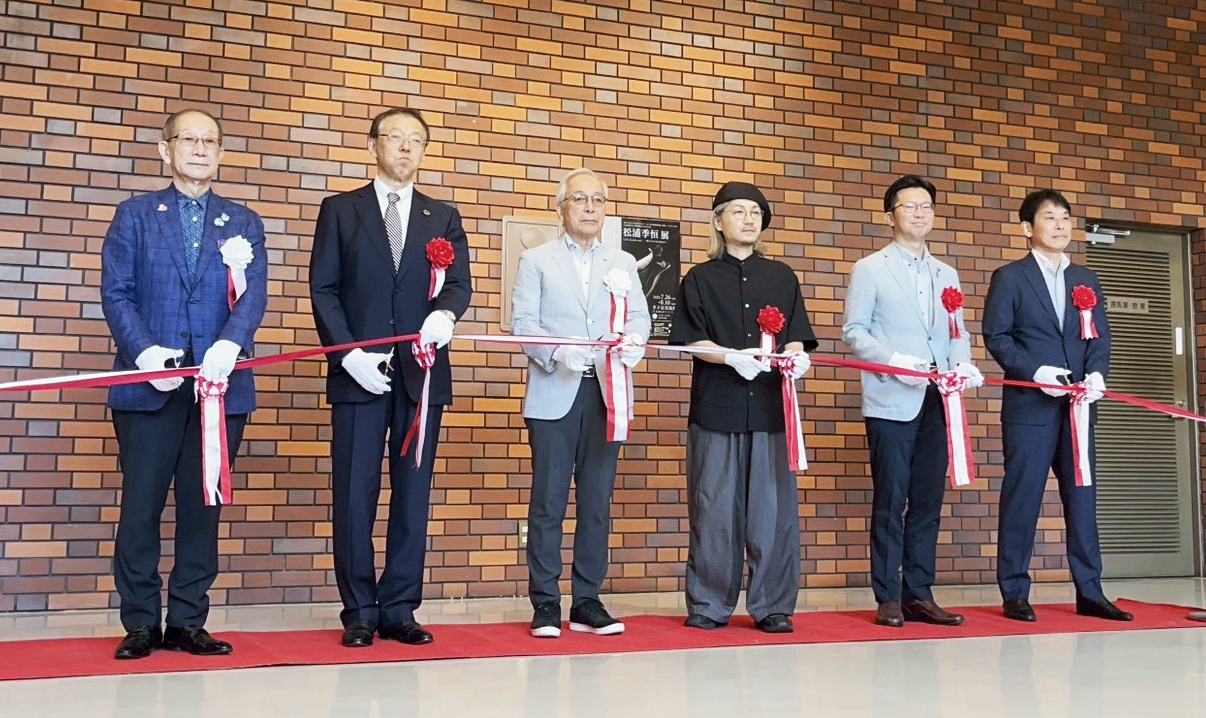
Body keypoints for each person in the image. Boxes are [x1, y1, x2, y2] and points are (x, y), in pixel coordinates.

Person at [101, 108, 267, 659]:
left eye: (209, 141)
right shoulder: (134, 215)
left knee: (203, 508)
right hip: (150, 385)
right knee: (141, 507)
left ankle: (188, 621)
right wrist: (145, 353)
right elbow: (117, 293)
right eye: (188, 139)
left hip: (220, 386)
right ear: (165, 149)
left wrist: (230, 344)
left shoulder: (243, 221)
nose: (199, 149)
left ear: (220, 153)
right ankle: (141, 622)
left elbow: (253, 296)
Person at [310, 108, 473, 647]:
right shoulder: (340, 210)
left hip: (420, 374)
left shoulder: (442, 215)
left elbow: (458, 285)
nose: (406, 148)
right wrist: (347, 354)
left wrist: (445, 316)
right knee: (354, 494)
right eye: (395, 138)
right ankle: (359, 609)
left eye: (416, 140)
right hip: (359, 373)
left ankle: (400, 606)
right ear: (373, 145)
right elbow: (324, 289)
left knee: (413, 495)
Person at [668, 181, 816, 633]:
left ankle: (772, 605)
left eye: (755, 212)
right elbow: (690, 341)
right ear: (718, 221)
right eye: (738, 211)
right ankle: (709, 603)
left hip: (771, 410)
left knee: (773, 513)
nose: (749, 219)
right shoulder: (698, 278)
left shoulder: (782, 277)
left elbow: (796, 335)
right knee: (713, 509)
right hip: (717, 408)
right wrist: (730, 356)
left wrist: (796, 357)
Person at [511, 168, 651, 638]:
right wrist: (555, 351)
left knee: (596, 501)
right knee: (548, 502)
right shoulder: (536, 260)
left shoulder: (622, 262)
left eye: (598, 200)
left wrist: (636, 341)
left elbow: (640, 319)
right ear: (561, 208)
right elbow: (523, 323)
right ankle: (546, 602)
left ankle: (587, 601)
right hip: (556, 390)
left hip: (608, 393)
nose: (590, 207)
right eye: (579, 199)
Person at [982, 189, 1131, 622]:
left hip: (1078, 407)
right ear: (1027, 228)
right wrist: (1036, 372)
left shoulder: (1086, 278)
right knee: (1023, 497)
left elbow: (1099, 336)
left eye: (1065, 217)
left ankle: (1090, 591)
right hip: (1030, 406)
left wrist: (1097, 373)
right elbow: (997, 336)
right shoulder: (1010, 277)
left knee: (1082, 498)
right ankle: (1014, 591)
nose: (1060, 225)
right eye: (1050, 217)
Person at [841, 175, 983, 628]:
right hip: (891, 398)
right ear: (890, 216)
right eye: (909, 206)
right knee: (891, 498)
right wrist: (894, 361)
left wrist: (964, 364)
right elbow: (854, 332)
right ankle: (887, 595)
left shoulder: (947, 274)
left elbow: (957, 332)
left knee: (927, 499)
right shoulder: (870, 268)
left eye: (926, 206)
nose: (920, 213)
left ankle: (919, 593)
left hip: (938, 400)